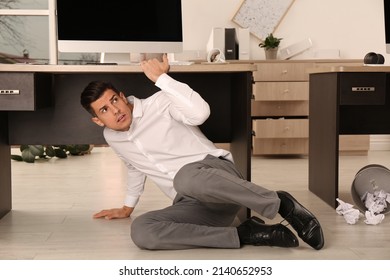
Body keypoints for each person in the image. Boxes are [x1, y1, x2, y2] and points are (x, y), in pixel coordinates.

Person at [80, 54, 324, 250]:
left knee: (185, 177)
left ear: (122, 97)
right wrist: (127, 207)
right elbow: (134, 167)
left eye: (114, 100)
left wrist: (163, 79)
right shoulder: (112, 136)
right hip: (195, 204)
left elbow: (200, 114)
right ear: (98, 121)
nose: (115, 110)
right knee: (142, 231)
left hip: (215, 176)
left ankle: (281, 204)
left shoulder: (160, 102)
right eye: (104, 110)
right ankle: (246, 234)